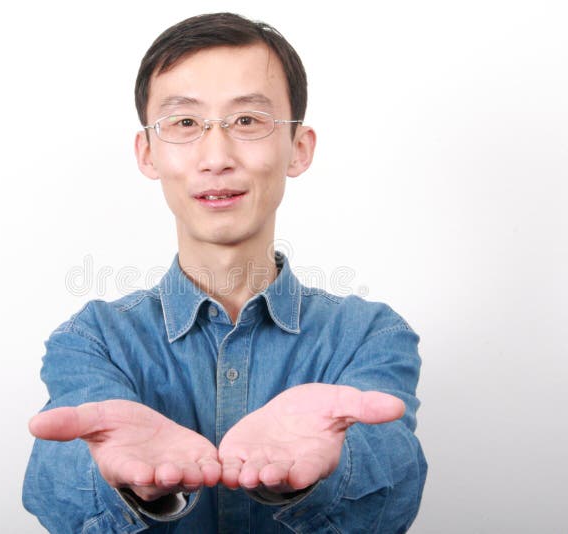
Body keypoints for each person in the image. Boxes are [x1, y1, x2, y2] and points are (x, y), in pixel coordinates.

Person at [23, 12, 426, 533]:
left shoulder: (371, 336)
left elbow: (392, 499)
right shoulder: (92, 340)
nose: (216, 157)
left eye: (248, 121)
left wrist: (308, 482)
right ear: (148, 153)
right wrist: (125, 484)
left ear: (298, 149)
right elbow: (59, 504)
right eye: (185, 123)